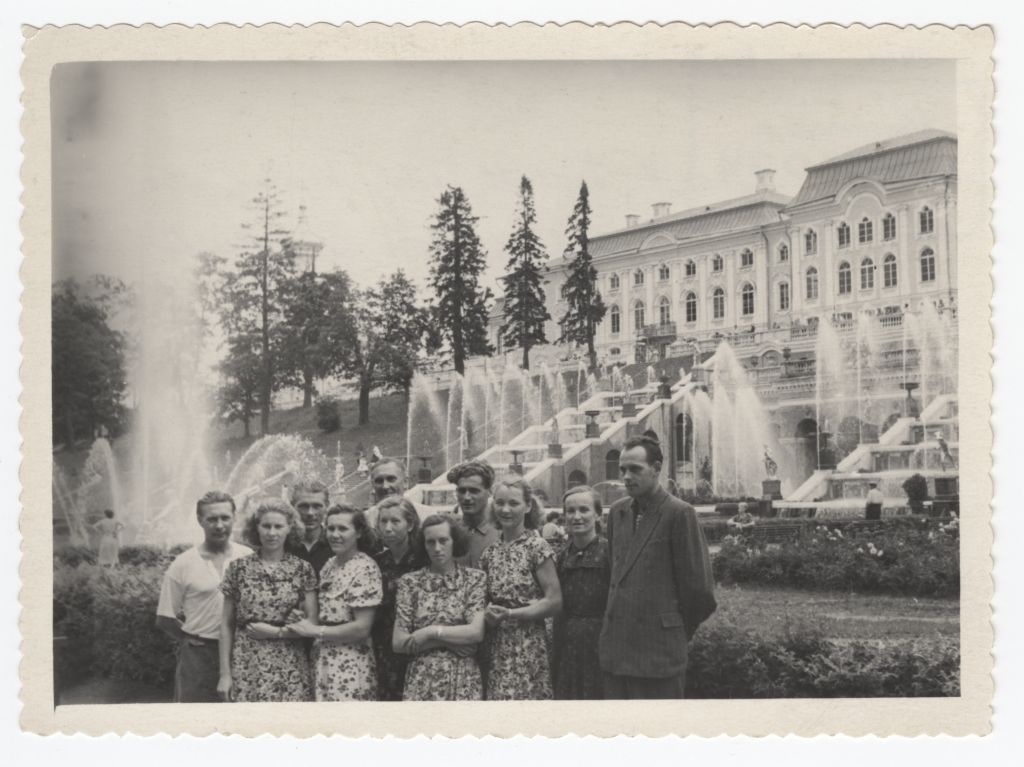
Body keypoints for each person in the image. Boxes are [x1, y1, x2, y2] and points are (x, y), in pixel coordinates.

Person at [599, 435, 716, 699]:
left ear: (657, 468)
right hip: (616, 656)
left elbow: (700, 592)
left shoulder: (679, 514)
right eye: (623, 470)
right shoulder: (617, 513)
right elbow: (614, 578)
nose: (627, 476)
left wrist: (671, 630)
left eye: (635, 469)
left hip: (658, 658)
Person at [218, 498, 317, 702]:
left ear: (290, 528)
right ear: (257, 528)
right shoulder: (238, 568)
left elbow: (312, 624)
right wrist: (225, 675)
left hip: (289, 663)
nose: (272, 533)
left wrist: (277, 632)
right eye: (266, 526)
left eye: (278, 526)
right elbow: (226, 625)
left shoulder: (302, 569)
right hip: (247, 663)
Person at [156, 491, 250, 702]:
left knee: (239, 722)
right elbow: (164, 618)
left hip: (241, 652)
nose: (219, 525)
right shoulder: (183, 563)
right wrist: (193, 639)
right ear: (200, 520)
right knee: (195, 721)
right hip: (198, 657)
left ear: (234, 517)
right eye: (212, 519)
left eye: (225, 518)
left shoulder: (247, 557)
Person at [288, 505, 383, 701]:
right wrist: (300, 617)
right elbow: (326, 613)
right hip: (323, 658)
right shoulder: (330, 565)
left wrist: (314, 631)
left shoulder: (365, 568)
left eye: (343, 529)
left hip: (350, 662)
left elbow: (362, 628)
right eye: (331, 529)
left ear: (358, 532)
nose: (335, 535)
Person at [479, 478, 562, 700]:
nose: (505, 510)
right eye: (499, 503)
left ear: (527, 506)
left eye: (513, 503)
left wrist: (510, 614)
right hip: (498, 645)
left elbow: (554, 601)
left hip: (530, 643)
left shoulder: (537, 547)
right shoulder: (490, 553)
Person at [393, 515, 487, 701]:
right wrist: (448, 641)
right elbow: (398, 643)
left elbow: (475, 633)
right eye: (430, 542)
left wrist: (429, 632)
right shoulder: (410, 582)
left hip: (463, 678)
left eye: (443, 540)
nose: (437, 548)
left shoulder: (474, 579)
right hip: (421, 679)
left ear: (455, 541)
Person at [552, 486, 610, 700]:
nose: (577, 517)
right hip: (567, 643)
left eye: (584, 510)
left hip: (601, 641)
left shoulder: (610, 552)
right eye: (570, 511)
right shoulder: (560, 557)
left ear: (597, 514)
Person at [370, 496, 426, 701]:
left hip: (416, 648)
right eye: (383, 522)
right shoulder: (375, 564)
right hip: (381, 651)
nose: (388, 528)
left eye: (395, 521)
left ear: (410, 524)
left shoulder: (423, 561)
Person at [447, 460, 500, 569]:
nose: (466, 497)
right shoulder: (448, 531)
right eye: (462, 491)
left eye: (474, 491)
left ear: (490, 492)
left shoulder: (501, 533)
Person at [285, 479, 333, 577]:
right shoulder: (280, 544)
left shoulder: (338, 543)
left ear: (327, 506)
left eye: (317, 506)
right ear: (292, 506)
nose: (310, 513)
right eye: (303, 506)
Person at [364, 458, 432, 528]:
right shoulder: (364, 521)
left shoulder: (427, 515)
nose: (385, 486)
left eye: (391, 479)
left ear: (405, 482)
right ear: (372, 485)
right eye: (379, 481)